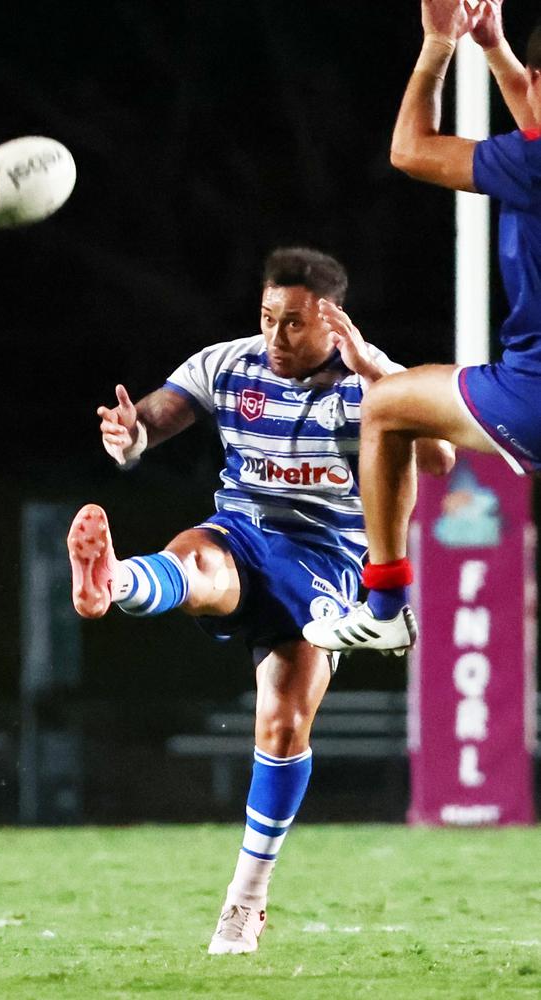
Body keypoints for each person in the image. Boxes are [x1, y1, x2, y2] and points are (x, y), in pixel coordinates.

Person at [67, 247, 453, 954]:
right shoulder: (230, 364)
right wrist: (130, 438)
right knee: (201, 565)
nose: (276, 336)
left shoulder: (369, 376)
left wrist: (382, 379)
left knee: (280, 728)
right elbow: (156, 416)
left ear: (332, 324)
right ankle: (114, 581)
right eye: (268, 317)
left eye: (294, 324)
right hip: (242, 530)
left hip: (329, 559)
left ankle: (245, 901)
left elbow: (438, 462)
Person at [303, 0, 541, 654]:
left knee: (383, 407)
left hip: (533, 397)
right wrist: (494, 48)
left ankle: (384, 608)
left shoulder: (531, 164)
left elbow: (410, 149)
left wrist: (440, 46)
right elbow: (535, 114)